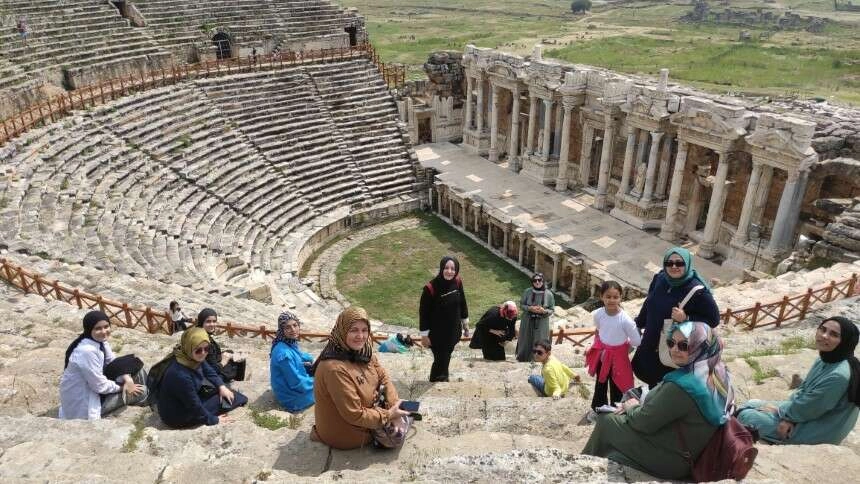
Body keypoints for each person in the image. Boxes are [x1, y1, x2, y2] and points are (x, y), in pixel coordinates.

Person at [582, 321, 732, 480]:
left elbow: (643, 422)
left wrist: (632, 406)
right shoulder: (718, 372)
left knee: (607, 420)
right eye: (671, 342)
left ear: (701, 346)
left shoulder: (685, 386)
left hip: (673, 460)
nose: (674, 349)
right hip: (691, 450)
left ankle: (583, 467)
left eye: (684, 345)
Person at [737, 316, 860, 445]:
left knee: (748, 416)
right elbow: (803, 391)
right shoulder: (824, 359)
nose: (824, 336)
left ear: (845, 341)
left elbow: (812, 407)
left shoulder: (838, 376)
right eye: (822, 329)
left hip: (822, 428)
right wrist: (787, 415)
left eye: (834, 335)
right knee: (752, 403)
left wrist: (784, 414)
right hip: (805, 413)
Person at [310, 307, 411, 450]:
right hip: (346, 432)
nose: (361, 336)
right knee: (402, 423)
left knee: (407, 407)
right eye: (354, 330)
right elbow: (354, 414)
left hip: (367, 412)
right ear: (342, 331)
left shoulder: (362, 351)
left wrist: (393, 402)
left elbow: (383, 376)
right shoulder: (334, 368)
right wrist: (388, 415)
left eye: (364, 330)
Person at [631, 247, 719, 386]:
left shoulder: (697, 291)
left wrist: (686, 318)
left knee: (662, 383)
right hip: (649, 340)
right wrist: (638, 323)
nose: (674, 267)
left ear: (687, 264)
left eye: (679, 263)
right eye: (669, 263)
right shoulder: (660, 278)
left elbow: (713, 319)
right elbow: (649, 302)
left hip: (670, 347)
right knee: (644, 373)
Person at [59, 311, 148, 420]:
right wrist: (122, 387)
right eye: (98, 328)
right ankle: (149, 401)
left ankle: (150, 396)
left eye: (106, 327)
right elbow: (99, 386)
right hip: (86, 403)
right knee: (142, 392)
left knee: (137, 369)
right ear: (89, 329)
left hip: (94, 388)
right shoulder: (87, 351)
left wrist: (127, 379)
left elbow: (112, 362)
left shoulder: (98, 341)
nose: (104, 331)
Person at [157, 327, 247, 428]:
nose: (203, 353)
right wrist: (215, 420)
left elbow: (210, 372)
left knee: (223, 391)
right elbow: (194, 406)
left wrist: (222, 386)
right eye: (198, 350)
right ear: (189, 347)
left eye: (207, 349)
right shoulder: (181, 375)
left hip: (182, 403)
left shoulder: (189, 357)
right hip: (178, 416)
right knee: (235, 398)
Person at [586, 281, 641, 411]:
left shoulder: (626, 320)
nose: (611, 300)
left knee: (617, 385)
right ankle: (599, 408)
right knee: (601, 383)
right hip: (603, 356)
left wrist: (625, 349)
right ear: (601, 296)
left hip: (618, 358)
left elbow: (637, 341)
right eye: (608, 296)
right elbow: (599, 331)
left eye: (615, 297)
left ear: (620, 298)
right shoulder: (598, 314)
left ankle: (616, 410)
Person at [419, 256, 469, 382]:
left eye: (453, 268)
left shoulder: (457, 282)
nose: (449, 271)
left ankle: (439, 378)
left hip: (453, 332)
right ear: (441, 268)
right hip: (437, 335)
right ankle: (440, 380)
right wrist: (424, 336)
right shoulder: (430, 288)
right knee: (441, 359)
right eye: (446, 268)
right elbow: (423, 313)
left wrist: (465, 323)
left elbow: (462, 302)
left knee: (444, 358)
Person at [270, 311, 314, 412]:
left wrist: (304, 362)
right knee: (326, 388)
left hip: (289, 387)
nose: (293, 330)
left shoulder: (287, 342)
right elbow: (297, 382)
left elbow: (299, 356)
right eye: (287, 327)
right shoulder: (284, 354)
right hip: (290, 397)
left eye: (295, 325)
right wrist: (317, 380)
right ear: (282, 330)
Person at [197, 308, 247, 382]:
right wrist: (224, 360)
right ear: (202, 322)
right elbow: (212, 370)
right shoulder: (204, 342)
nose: (212, 324)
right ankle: (234, 380)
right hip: (208, 376)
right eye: (208, 321)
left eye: (214, 321)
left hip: (209, 363)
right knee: (240, 358)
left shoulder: (199, 332)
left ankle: (234, 377)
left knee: (231, 352)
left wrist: (226, 356)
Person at [515, 273, 555, 362]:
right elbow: (522, 304)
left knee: (540, 340)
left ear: (543, 281)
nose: (537, 282)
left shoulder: (549, 294)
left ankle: (538, 359)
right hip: (527, 320)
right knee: (525, 338)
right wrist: (530, 308)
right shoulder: (527, 291)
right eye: (534, 280)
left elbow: (552, 309)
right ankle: (523, 357)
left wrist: (543, 311)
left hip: (541, 322)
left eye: (539, 280)